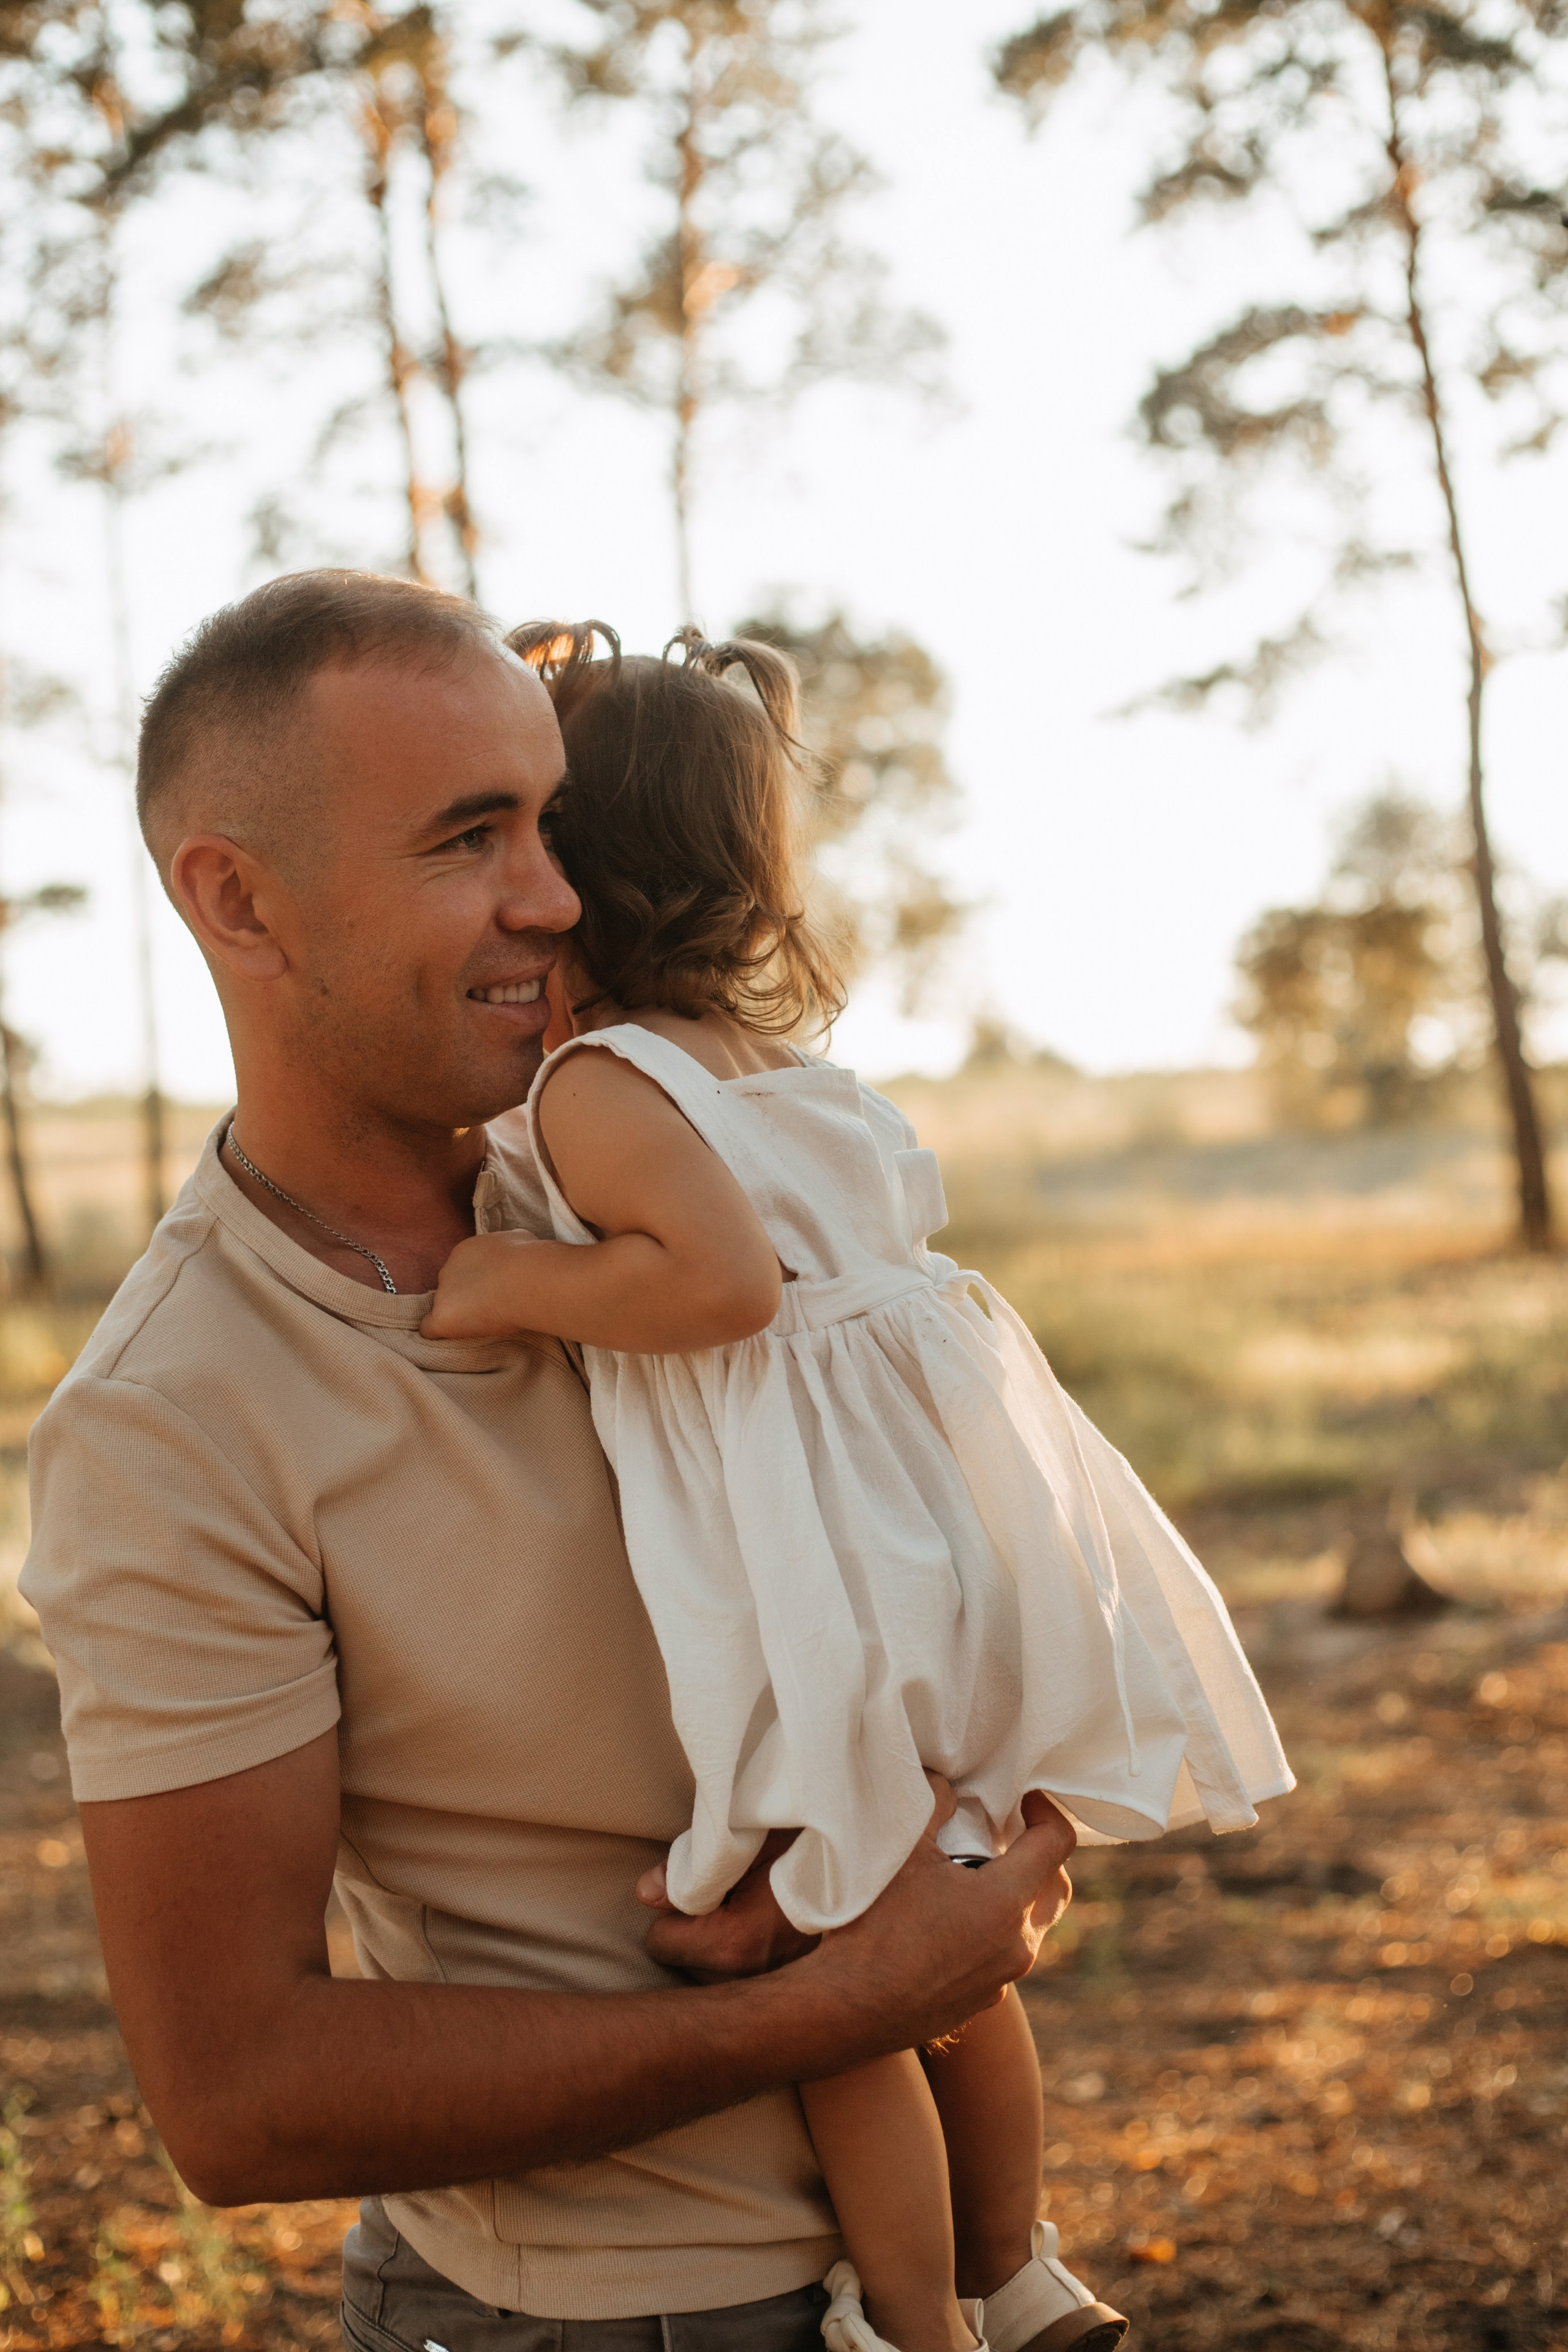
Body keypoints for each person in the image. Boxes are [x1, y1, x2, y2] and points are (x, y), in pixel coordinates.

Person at [18, 571, 1080, 2352]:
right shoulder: (175, 1420)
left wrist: (985, 1846)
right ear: (238, 901)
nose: (559, 895)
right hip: (590, 2319)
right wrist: (831, 2005)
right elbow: (241, 2099)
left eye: (556, 824)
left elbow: (968, 1624)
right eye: (470, 838)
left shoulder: (649, 1195)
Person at [422, 624, 1296, 2352]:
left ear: (567, 884)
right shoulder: (798, 1081)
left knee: (844, 2000)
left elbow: (721, 1291)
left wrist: (511, 1284)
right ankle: (1022, 2268)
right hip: (932, 1536)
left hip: (818, 1573)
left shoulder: (604, 1087)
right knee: (945, 1942)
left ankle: (914, 2321)